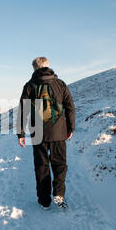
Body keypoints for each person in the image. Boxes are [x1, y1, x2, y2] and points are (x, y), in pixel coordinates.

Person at [17, 57, 75, 210]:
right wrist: (70, 128)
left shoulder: (29, 85)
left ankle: (44, 201)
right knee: (59, 164)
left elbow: (23, 111)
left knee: (41, 166)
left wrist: (21, 134)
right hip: (58, 131)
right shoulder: (60, 84)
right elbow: (69, 107)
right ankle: (59, 194)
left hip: (38, 132)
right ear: (48, 66)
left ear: (34, 69)